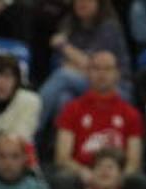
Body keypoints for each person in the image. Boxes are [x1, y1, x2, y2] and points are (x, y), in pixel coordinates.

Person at [36, 0, 130, 134]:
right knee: (64, 98)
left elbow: (96, 67)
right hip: (82, 85)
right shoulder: (69, 25)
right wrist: (80, 63)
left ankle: (30, 131)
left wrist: (64, 47)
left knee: (63, 76)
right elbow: (62, 63)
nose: (81, 3)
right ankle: (64, 149)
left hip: (117, 88)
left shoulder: (108, 28)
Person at [52, 50, 142, 187]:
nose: (102, 73)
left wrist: (117, 177)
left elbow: (134, 162)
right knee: (62, 180)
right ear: (88, 72)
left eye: (107, 69)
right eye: (96, 68)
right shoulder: (72, 109)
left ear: (117, 74)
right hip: (82, 174)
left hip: (118, 175)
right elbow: (62, 157)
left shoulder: (130, 113)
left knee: (138, 183)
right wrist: (84, 172)